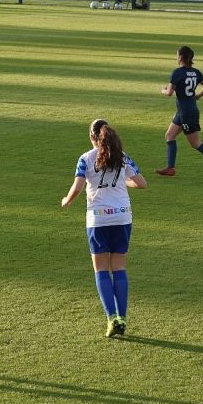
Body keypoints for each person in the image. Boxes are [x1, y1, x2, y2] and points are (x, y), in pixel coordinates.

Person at [61, 119, 147, 338]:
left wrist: (66, 200)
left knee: (100, 269)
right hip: (123, 217)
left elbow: (78, 187)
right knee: (119, 269)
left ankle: (111, 318)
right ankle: (123, 317)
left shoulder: (86, 158)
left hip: (99, 219)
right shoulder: (122, 156)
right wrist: (123, 181)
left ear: (92, 137)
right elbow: (141, 183)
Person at [155, 45, 203, 179]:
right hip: (185, 110)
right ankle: (170, 168)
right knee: (169, 136)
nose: (176, 57)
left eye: (177, 55)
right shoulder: (196, 72)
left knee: (195, 143)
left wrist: (162, 90)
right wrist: (198, 96)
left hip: (186, 113)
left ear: (181, 57)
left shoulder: (177, 72)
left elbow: (169, 93)